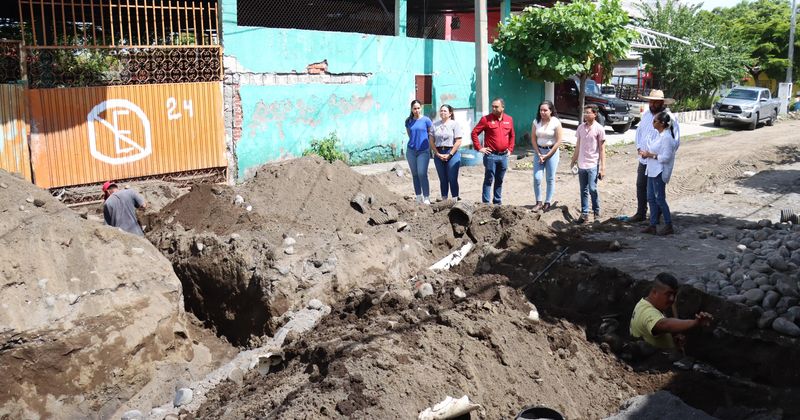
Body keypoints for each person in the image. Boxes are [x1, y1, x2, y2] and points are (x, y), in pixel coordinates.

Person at [629, 90, 680, 223]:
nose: (652, 104)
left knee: (657, 192)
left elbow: (675, 142)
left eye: (655, 102)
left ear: (662, 103)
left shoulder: (669, 118)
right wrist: (639, 148)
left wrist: (656, 155)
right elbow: (639, 133)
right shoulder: (646, 115)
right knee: (641, 185)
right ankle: (641, 213)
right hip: (644, 158)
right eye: (650, 101)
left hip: (658, 162)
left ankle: (656, 217)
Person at [630, 272, 713, 350]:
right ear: (654, 292)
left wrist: (672, 342)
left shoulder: (643, 303)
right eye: (668, 294)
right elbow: (665, 324)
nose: (672, 299)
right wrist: (695, 322)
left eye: (674, 294)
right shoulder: (647, 312)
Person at [471, 98, 515, 205]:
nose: (493, 108)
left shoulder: (509, 119)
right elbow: (474, 133)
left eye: (496, 107)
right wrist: (480, 148)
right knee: (489, 179)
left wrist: (510, 149)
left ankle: (497, 203)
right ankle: (486, 204)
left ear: (502, 107)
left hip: (504, 155)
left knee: (499, 180)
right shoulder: (486, 119)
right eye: (493, 106)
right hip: (491, 155)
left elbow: (512, 135)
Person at [639, 111, 677, 235]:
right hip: (652, 170)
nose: (653, 122)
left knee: (659, 198)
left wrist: (650, 155)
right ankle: (653, 224)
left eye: (655, 121)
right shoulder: (659, 135)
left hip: (659, 171)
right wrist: (647, 155)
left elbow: (666, 157)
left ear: (662, 123)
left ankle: (668, 224)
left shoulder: (667, 137)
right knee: (651, 198)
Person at [569, 104, 605, 223]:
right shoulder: (580, 128)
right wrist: (573, 160)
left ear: (595, 114)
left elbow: (602, 149)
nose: (585, 114)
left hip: (593, 164)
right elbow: (578, 145)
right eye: (585, 112)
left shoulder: (599, 129)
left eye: (588, 112)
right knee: (583, 189)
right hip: (581, 164)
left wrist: (602, 168)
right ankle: (584, 214)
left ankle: (596, 212)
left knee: (592, 188)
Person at [530, 100, 563, 212]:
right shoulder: (536, 122)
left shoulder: (556, 122)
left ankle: (547, 202)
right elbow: (533, 139)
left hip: (552, 152)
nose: (542, 112)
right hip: (539, 152)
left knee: (550, 178)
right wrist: (539, 153)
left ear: (551, 111)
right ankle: (538, 202)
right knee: (537, 177)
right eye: (541, 110)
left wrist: (548, 155)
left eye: (545, 110)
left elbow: (558, 141)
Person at [429, 104, 463, 201]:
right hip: (439, 152)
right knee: (443, 179)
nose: (442, 113)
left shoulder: (454, 124)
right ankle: (444, 200)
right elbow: (431, 141)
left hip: (452, 152)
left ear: (450, 113)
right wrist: (437, 153)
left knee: (452, 177)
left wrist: (450, 154)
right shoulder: (434, 125)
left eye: (445, 111)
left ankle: (455, 199)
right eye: (441, 111)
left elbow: (458, 141)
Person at [405, 100, 433, 204]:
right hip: (411, 151)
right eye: (414, 108)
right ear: (412, 110)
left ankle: (426, 197)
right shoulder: (408, 121)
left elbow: (430, 134)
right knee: (415, 174)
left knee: (422, 173)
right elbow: (410, 135)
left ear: (421, 108)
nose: (416, 110)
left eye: (418, 108)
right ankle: (418, 196)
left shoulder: (426, 120)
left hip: (423, 151)